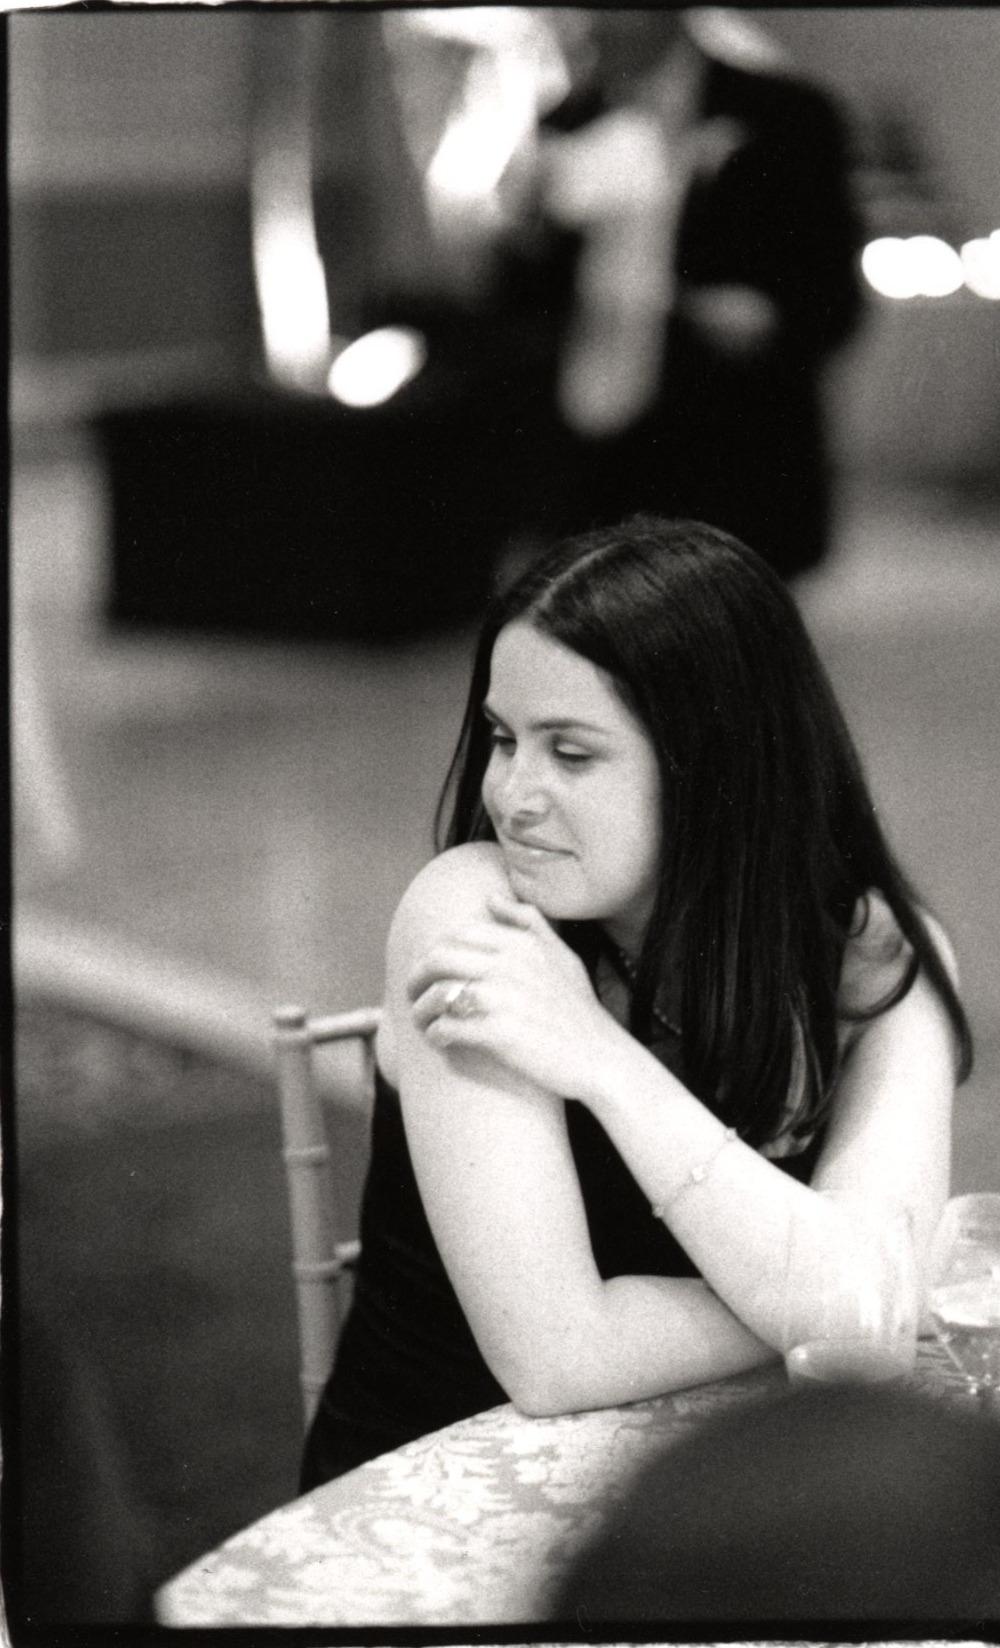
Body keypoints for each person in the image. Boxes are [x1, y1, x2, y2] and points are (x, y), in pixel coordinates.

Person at [300, 515, 971, 1490]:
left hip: (716, 1484)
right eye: (501, 738)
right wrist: (816, 1291)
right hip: (445, 1492)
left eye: (569, 753)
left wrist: (603, 1062)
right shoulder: (474, 918)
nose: (510, 794)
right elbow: (558, 1356)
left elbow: (873, 1299)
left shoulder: (867, 954)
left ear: (715, 763)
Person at [487, 9, 866, 579]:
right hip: (594, 455)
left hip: (733, 445)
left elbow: (830, 286)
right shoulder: (567, 121)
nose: (592, 26)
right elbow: (523, 302)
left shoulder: (787, 114)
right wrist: (526, 235)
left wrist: (766, 319)